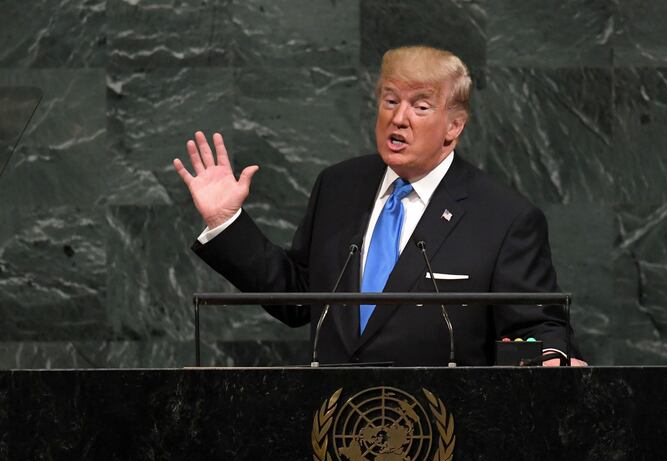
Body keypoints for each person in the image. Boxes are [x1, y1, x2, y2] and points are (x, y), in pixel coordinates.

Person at [174, 45, 587, 367]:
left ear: (453, 126)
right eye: (390, 100)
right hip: (334, 425)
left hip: (442, 429)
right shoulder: (339, 186)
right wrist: (227, 222)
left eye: (420, 106)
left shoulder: (503, 216)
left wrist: (553, 356)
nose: (399, 118)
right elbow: (299, 297)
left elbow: (539, 324)